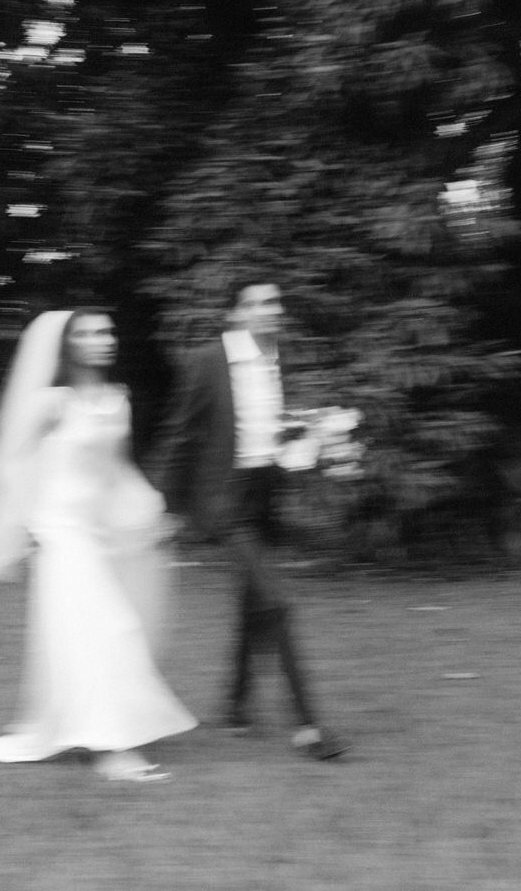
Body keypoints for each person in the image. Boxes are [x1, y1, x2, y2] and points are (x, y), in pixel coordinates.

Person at [0, 308, 197, 782]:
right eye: (86, 333)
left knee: (91, 635)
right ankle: (113, 753)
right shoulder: (50, 402)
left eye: (106, 330)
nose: (101, 340)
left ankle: (93, 731)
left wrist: (147, 510)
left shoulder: (117, 400)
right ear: (66, 346)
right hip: (60, 533)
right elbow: (5, 464)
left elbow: (117, 469)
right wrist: (30, 524)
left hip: (99, 530)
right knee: (112, 628)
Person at [149, 280, 349, 761]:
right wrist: (166, 508)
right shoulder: (208, 361)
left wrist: (310, 440)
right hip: (225, 502)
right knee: (277, 602)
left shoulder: (280, 360)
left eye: (276, 302)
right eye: (258, 304)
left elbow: (279, 427)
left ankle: (235, 705)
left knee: (253, 603)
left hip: (265, 499)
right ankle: (310, 726)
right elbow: (180, 436)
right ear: (236, 314)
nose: (270, 311)